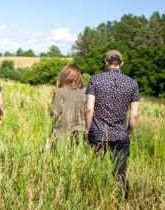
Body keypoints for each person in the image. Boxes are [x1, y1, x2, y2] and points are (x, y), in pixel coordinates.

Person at [85, 50, 139, 193]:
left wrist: (87, 128)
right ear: (121, 63)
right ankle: (122, 201)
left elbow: (89, 109)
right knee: (120, 174)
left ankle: (94, 196)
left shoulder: (95, 80)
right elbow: (134, 115)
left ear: (106, 62)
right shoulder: (132, 84)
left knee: (94, 171)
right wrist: (129, 132)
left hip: (98, 133)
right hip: (121, 135)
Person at [50, 64, 86, 141]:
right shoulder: (86, 91)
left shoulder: (61, 92)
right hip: (82, 133)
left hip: (62, 135)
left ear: (64, 76)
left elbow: (54, 114)